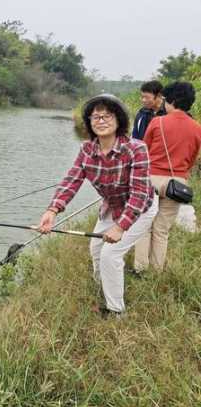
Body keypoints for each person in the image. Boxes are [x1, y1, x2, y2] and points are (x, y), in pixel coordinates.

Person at [39, 94, 157, 316]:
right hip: (112, 208)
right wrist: (52, 210)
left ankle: (116, 311)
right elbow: (71, 180)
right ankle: (103, 291)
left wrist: (121, 227)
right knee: (96, 250)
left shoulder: (136, 148)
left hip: (140, 210)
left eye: (107, 116)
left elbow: (139, 195)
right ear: (89, 122)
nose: (101, 121)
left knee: (110, 255)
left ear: (119, 120)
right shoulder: (86, 150)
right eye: (95, 117)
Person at [134, 82, 201, 272]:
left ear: (171, 100)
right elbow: (193, 159)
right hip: (177, 183)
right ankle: (156, 271)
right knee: (162, 230)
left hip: (152, 179)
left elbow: (143, 151)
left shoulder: (157, 122)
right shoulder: (197, 128)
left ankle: (140, 269)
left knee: (144, 225)